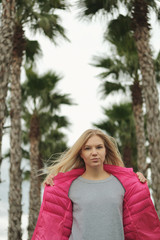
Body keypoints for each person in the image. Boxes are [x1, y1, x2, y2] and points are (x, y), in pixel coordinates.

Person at [32, 129, 160, 240]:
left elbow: (142, 227)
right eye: (88, 148)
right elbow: (52, 228)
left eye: (99, 147)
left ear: (106, 151)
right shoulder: (66, 187)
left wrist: (139, 184)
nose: (94, 152)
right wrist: (53, 185)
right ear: (81, 153)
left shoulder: (125, 185)